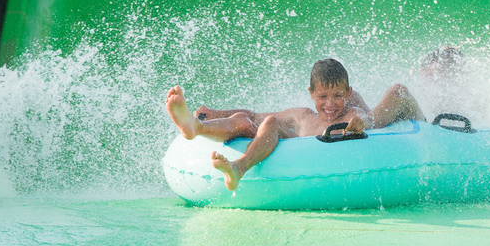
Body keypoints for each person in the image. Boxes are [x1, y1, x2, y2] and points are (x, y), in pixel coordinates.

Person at [166, 58, 425, 191]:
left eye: (338, 96)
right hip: (294, 145)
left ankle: (238, 167)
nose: (330, 104)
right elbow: (254, 115)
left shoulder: (352, 112)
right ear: (311, 93)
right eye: (323, 97)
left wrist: (362, 123)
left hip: (318, 155)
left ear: (347, 93)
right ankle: (194, 127)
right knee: (255, 122)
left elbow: (369, 118)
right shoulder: (303, 116)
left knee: (266, 123)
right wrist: (213, 113)